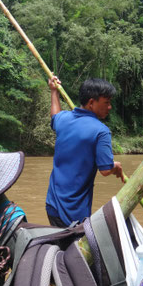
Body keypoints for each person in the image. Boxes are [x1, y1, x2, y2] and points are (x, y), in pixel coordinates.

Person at [46, 76, 123, 228]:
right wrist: (116, 167)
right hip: (73, 213)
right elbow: (106, 170)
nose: (110, 107)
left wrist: (53, 92)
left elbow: (54, 116)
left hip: (52, 205)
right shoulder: (101, 131)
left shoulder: (64, 119)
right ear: (91, 103)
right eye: (106, 102)